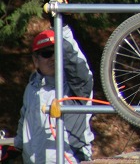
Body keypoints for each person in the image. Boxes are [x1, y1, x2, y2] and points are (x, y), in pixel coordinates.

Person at [14, 13, 94, 163]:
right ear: (35, 60)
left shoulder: (75, 86)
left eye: (56, 51)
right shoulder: (31, 89)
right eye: (46, 53)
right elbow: (23, 120)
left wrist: (61, 27)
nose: (53, 57)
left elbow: (76, 63)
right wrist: (16, 148)